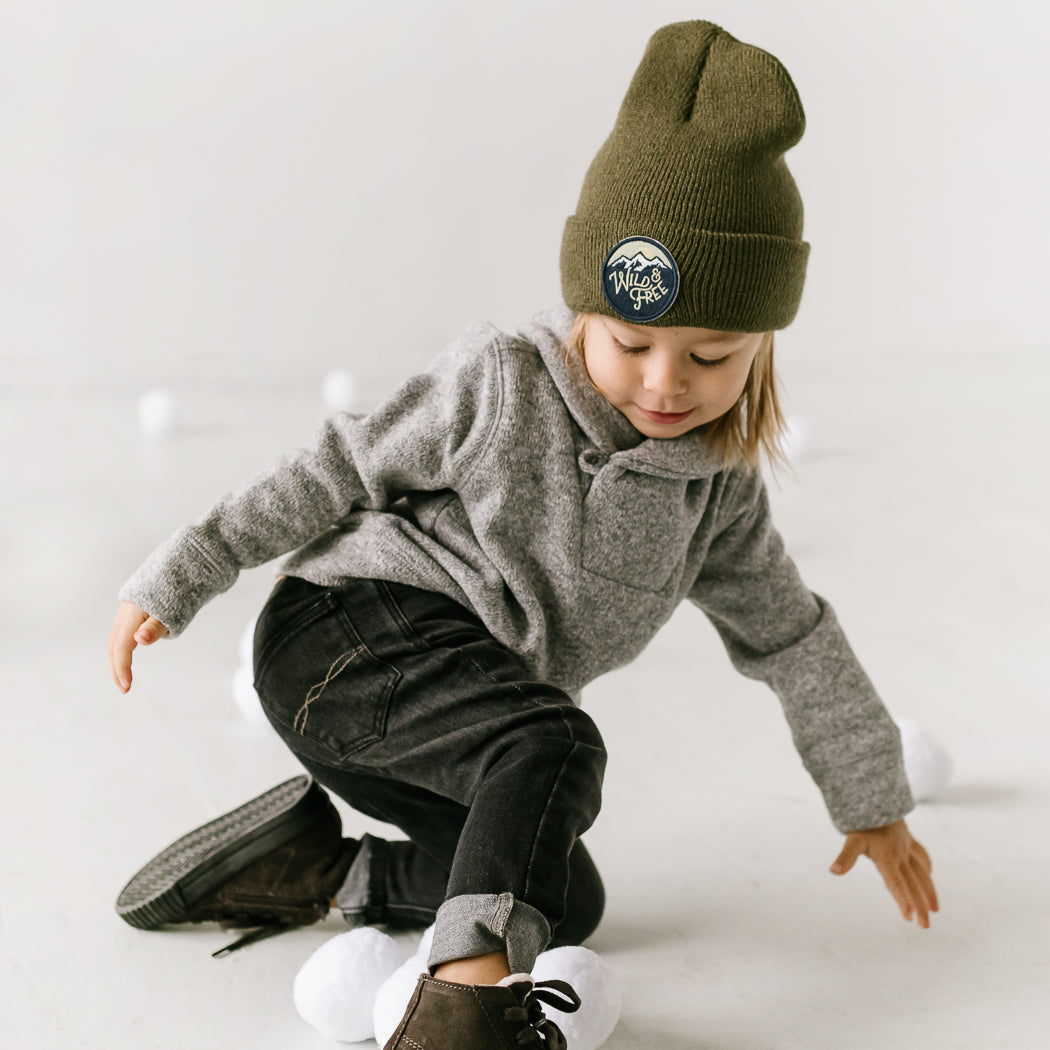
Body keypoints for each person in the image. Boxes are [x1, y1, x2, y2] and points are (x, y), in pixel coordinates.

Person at [106, 20, 938, 1050]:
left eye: (711, 356)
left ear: (761, 350)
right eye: (633, 341)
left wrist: (871, 797)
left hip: (437, 724)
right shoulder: (500, 380)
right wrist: (183, 573)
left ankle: (311, 868)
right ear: (588, 306)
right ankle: (458, 1013)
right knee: (551, 741)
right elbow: (335, 466)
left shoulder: (715, 491)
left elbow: (789, 635)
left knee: (560, 889)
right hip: (343, 637)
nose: (665, 383)